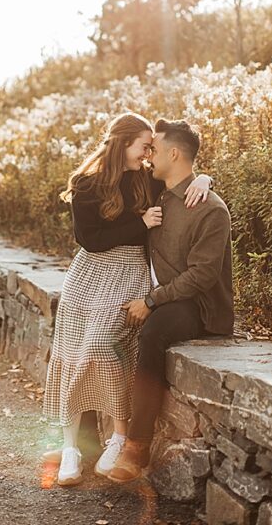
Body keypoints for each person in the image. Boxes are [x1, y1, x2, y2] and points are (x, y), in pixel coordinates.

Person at [42, 112, 210, 486]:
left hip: (127, 273)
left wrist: (204, 177)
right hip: (89, 272)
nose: (149, 154)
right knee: (71, 353)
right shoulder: (84, 184)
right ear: (123, 143)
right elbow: (90, 238)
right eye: (144, 146)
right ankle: (71, 448)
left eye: (153, 147)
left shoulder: (143, 181)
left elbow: (180, 176)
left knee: (103, 347)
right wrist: (140, 224)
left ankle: (118, 438)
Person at [106, 118, 234, 483]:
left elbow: (202, 277)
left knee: (153, 332)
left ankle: (137, 447)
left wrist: (151, 300)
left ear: (174, 154)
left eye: (156, 150)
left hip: (199, 306)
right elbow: (107, 176)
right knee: (103, 332)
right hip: (165, 298)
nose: (149, 158)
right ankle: (87, 441)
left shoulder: (210, 208)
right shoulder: (155, 192)